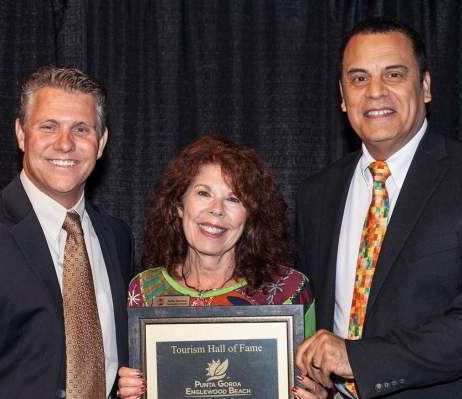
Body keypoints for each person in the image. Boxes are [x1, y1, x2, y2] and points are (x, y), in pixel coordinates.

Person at [295, 17, 462, 399]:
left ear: (424, 86)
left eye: (393, 74)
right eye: (358, 78)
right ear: (342, 96)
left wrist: (360, 361)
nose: (375, 92)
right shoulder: (316, 195)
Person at [0, 66, 136, 399]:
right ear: (21, 134)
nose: (65, 144)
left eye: (81, 129)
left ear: (101, 142)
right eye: (49, 126)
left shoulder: (116, 238)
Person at [118, 135, 324, 399]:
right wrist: (132, 391)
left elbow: (314, 384)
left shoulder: (290, 290)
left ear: (250, 216)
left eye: (234, 199)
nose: (216, 210)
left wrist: (315, 393)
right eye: (204, 193)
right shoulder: (144, 290)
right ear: (180, 205)